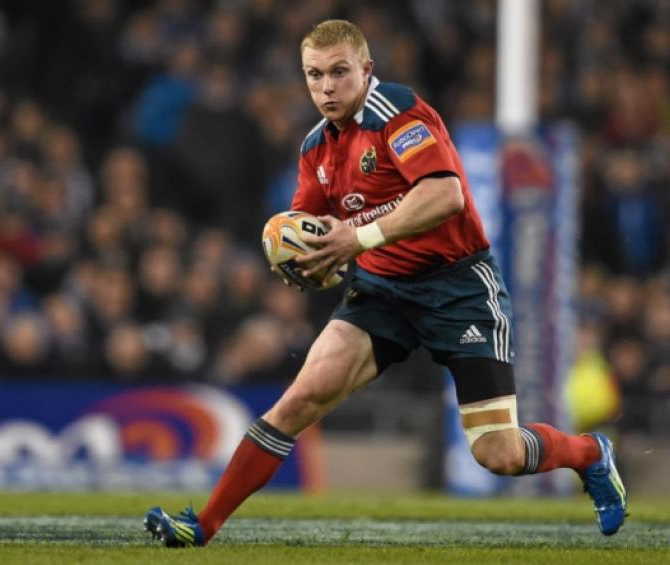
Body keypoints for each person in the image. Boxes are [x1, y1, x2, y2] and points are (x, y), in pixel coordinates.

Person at [144, 19, 627, 547]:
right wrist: (308, 261)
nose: (325, 87)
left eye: (338, 72)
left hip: (457, 287)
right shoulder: (315, 149)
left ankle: (588, 454)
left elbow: (445, 195)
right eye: (314, 76)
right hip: (382, 292)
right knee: (300, 398)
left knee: (499, 454)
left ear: (366, 70)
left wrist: (358, 236)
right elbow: (319, 233)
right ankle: (203, 525)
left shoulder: (396, 113)